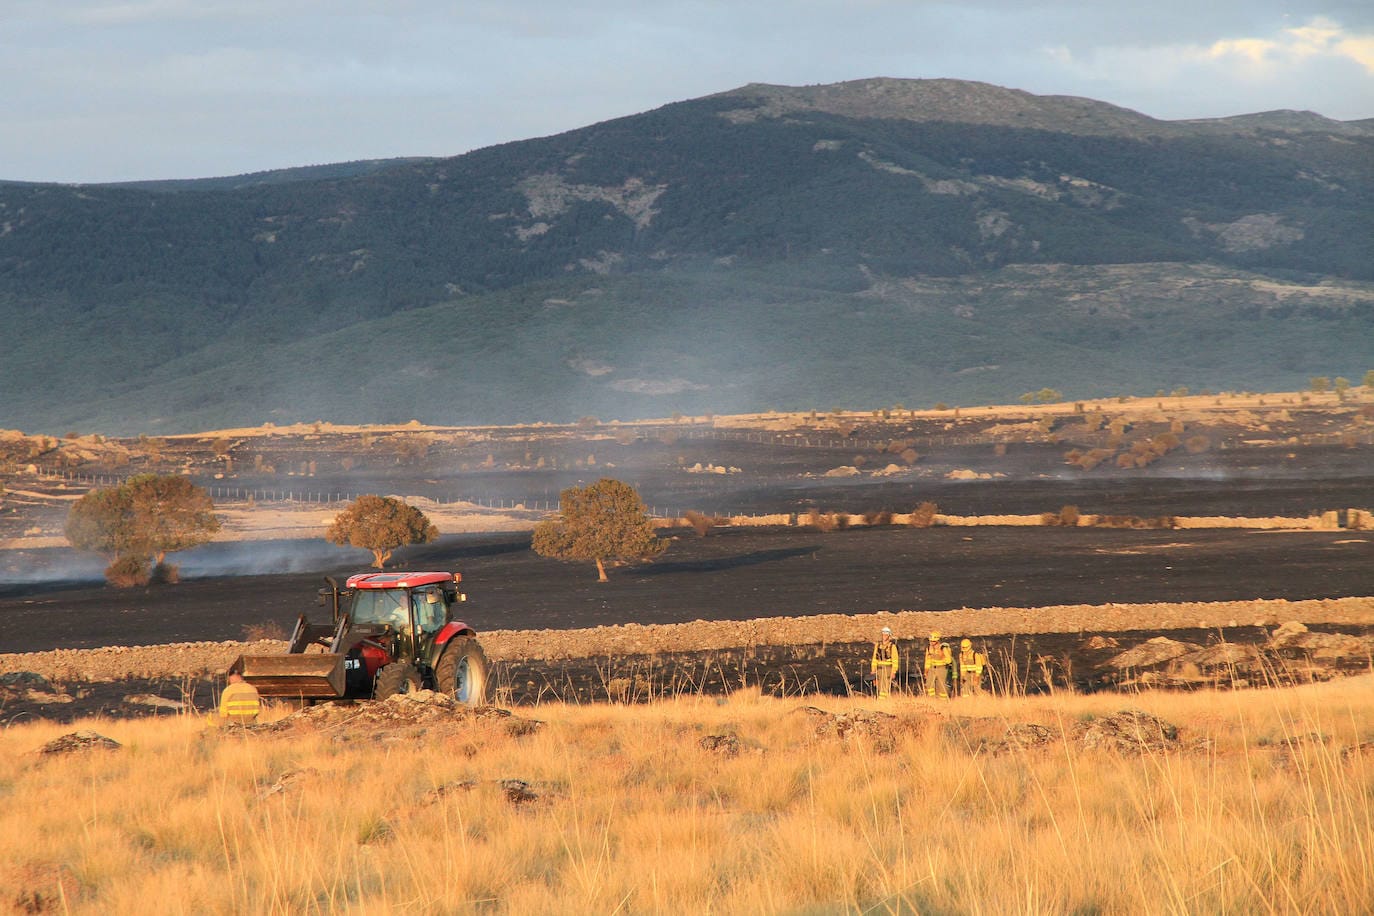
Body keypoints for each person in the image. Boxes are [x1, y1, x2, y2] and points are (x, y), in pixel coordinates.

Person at [870, 626, 899, 698]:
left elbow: (895, 660)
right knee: (879, 687)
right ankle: (881, 700)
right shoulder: (878, 646)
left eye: (886, 635)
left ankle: (883, 701)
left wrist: (893, 672)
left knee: (885, 687)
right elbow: (874, 659)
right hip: (879, 670)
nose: (884, 636)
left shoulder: (892, 647)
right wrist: (873, 670)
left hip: (888, 670)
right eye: (883, 635)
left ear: (889, 636)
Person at [923, 631, 952, 698]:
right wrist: (926, 671)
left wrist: (942, 658)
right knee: (929, 685)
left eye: (933, 641)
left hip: (942, 669)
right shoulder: (928, 648)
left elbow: (949, 660)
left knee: (941, 687)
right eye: (930, 641)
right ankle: (932, 699)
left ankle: (943, 702)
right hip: (932, 669)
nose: (931, 643)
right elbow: (927, 660)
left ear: (937, 641)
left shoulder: (943, 648)